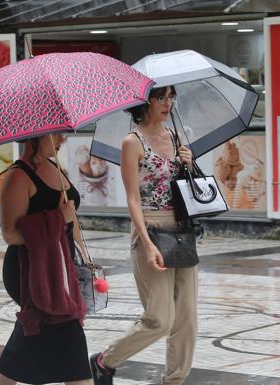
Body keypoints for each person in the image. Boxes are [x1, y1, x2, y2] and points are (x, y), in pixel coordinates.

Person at [90, 86, 197, 385]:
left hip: (181, 229)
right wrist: (147, 243)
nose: (168, 103)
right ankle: (104, 360)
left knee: (187, 318)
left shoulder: (177, 139)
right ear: (144, 102)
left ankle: (174, 380)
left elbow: (186, 188)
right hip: (150, 228)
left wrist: (188, 164)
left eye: (171, 97)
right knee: (160, 319)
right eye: (160, 97)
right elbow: (133, 198)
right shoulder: (132, 142)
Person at [0, 133, 93, 385]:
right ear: (35, 136)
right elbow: (10, 234)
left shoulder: (54, 166)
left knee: (35, 330)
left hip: (59, 266)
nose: (62, 138)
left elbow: (70, 217)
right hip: (30, 270)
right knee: (64, 330)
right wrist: (58, 218)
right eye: (56, 134)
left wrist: (82, 254)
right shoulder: (18, 176)